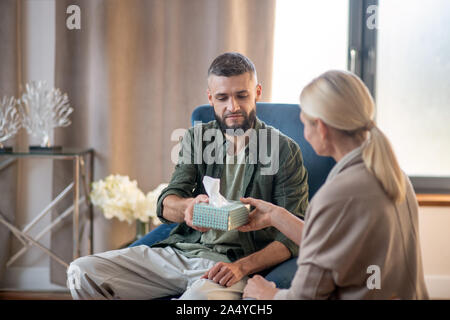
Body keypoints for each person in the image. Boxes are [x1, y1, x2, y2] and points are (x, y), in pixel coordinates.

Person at [66, 52, 309, 300]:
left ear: (257, 93)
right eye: (222, 97)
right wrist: (187, 207)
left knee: (196, 300)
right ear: (210, 97)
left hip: (232, 264)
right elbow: (167, 201)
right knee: (82, 271)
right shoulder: (197, 138)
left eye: (241, 95)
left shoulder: (283, 151)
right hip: (182, 252)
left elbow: (294, 236)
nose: (232, 107)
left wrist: (242, 267)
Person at [240, 70, 429, 300]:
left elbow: (305, 297)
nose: (305, 135)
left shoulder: (337, 195)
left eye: (304, 126)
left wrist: (267, 293)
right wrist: (274, 215)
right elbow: (331, 243)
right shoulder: (394, 176)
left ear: (321, 127)